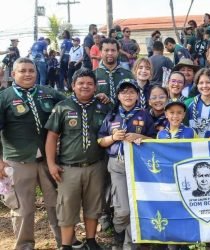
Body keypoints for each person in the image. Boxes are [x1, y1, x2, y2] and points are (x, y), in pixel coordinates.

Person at [0, 57, 65, 249]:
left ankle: (65, 242)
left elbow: (73, 104)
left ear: (36, 73)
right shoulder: (4, 97)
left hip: (48, 160)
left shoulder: (47, 92)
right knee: (22, 207)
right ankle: (24, 246)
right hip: (17, 160)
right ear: (13, 74)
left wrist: (98, 98)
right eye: (23, 71)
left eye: (31, 70)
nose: (28, 74)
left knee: (56, 204)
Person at [45, 68, 111, 250]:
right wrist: (51, 164)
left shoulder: (102, 106)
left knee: (93, 205)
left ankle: (91, 240)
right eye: (81, 83)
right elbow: (51, 137)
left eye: (90, 83)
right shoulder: (63, 107)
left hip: (95, 166)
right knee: (67, 208)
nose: (85, 86)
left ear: (96, 87)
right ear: (73, 86)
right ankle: (66, 245)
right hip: (68, 168)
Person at [98, 79, 155, 249]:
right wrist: (113, 138)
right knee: (123, 210)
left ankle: (128, 245)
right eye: (124, 92)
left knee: (134, 208)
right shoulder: (112, 115)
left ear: (138, 95)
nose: (128, 95)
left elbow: (155, 140)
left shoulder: (144, 115)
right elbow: (100, 140)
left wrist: (141, 138)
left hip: (139, 166)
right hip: (118, 165)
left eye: (131, 92)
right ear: (118, 96)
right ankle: (118, 231)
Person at [185, 68, 210, 138]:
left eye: (208, 82)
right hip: (190, 147)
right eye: (201, 83)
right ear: (197, 85)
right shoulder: (187, 104)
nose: (204, 86)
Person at [94, 38, 134, 104]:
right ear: (100, 52)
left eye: (113, 50)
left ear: (118, 52)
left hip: (123, 113)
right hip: (101, 112)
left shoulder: (128, 75)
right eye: (106, 50)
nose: (110, 53)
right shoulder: (93, 75)